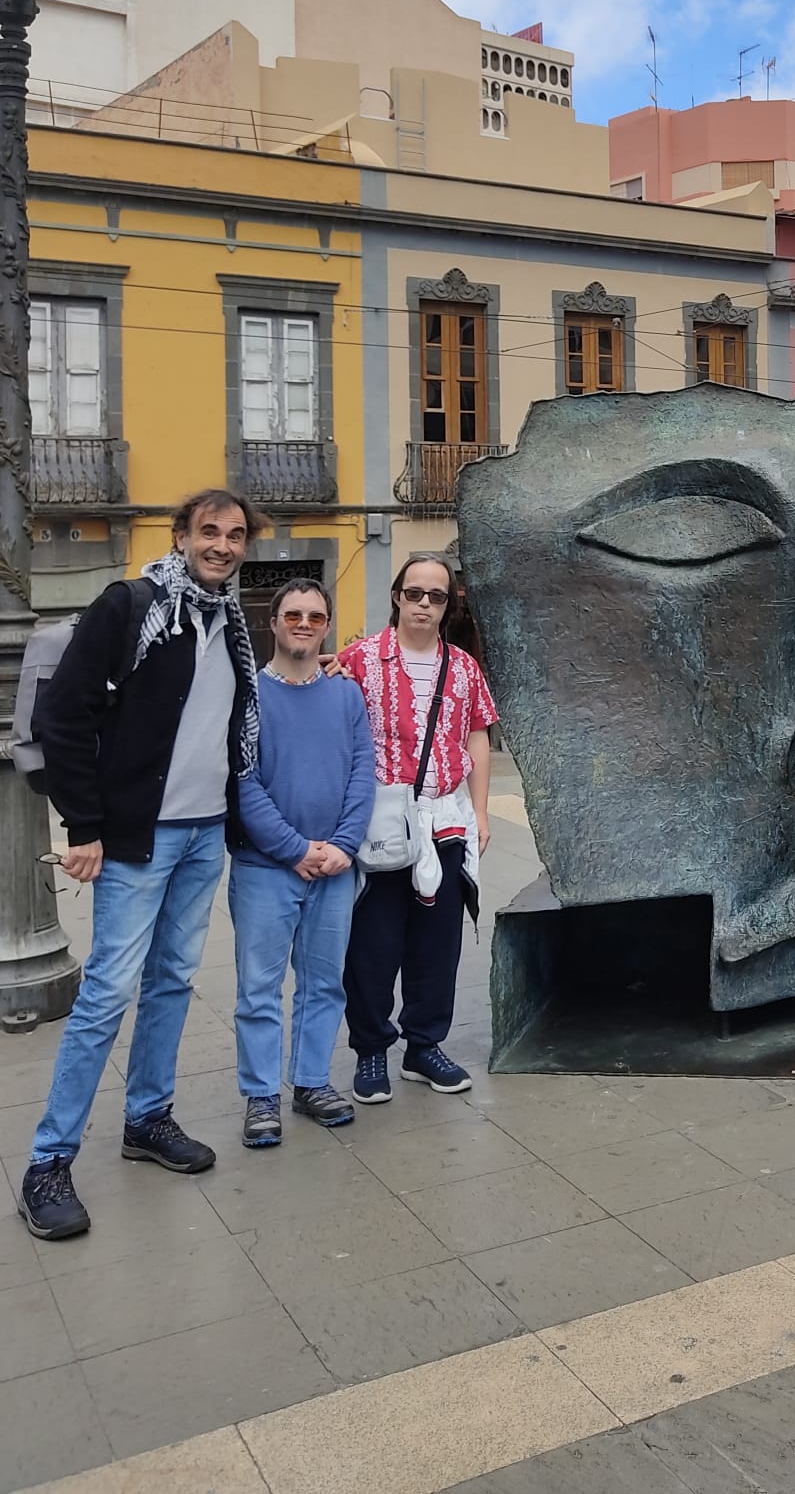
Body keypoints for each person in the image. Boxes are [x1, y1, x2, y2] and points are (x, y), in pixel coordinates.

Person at [19, 490, 262, 1242]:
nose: (222, 544)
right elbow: (62, 716)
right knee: (105, 997)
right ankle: (47, 1163)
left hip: (199, 836)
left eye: (235, 535)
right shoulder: (133, 604)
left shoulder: (229, 621)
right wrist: (85, 826)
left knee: (172, 983)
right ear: (181, 535)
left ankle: (147, 1118)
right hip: (135, 841)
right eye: (209, 531)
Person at [339, 553, 495, 1103]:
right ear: (397, 597)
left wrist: (479, 813)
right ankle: (371, 1051)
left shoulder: (464, 668)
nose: (424, 604)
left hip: (444, 822)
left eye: (437, 596)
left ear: (448, 604)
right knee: (372, 946)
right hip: (379, 826)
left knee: (437, 945)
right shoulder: (359, 660)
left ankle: (424, 1046)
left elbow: (478, 735)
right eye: (415, 593)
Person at [229, 580, 374, 1148]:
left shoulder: (346, 694)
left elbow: (364, 770)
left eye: (316, 616)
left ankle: (311, 1082)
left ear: (328, 624)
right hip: (265, 868)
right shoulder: (248, 697)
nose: (305, 623)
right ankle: (261, 1093)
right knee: (258, 988)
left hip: (337, 867)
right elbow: (242, 781)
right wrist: (294, 849)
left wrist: (343, 844)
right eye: (294, 614)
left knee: (323, 984)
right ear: (274, 621)